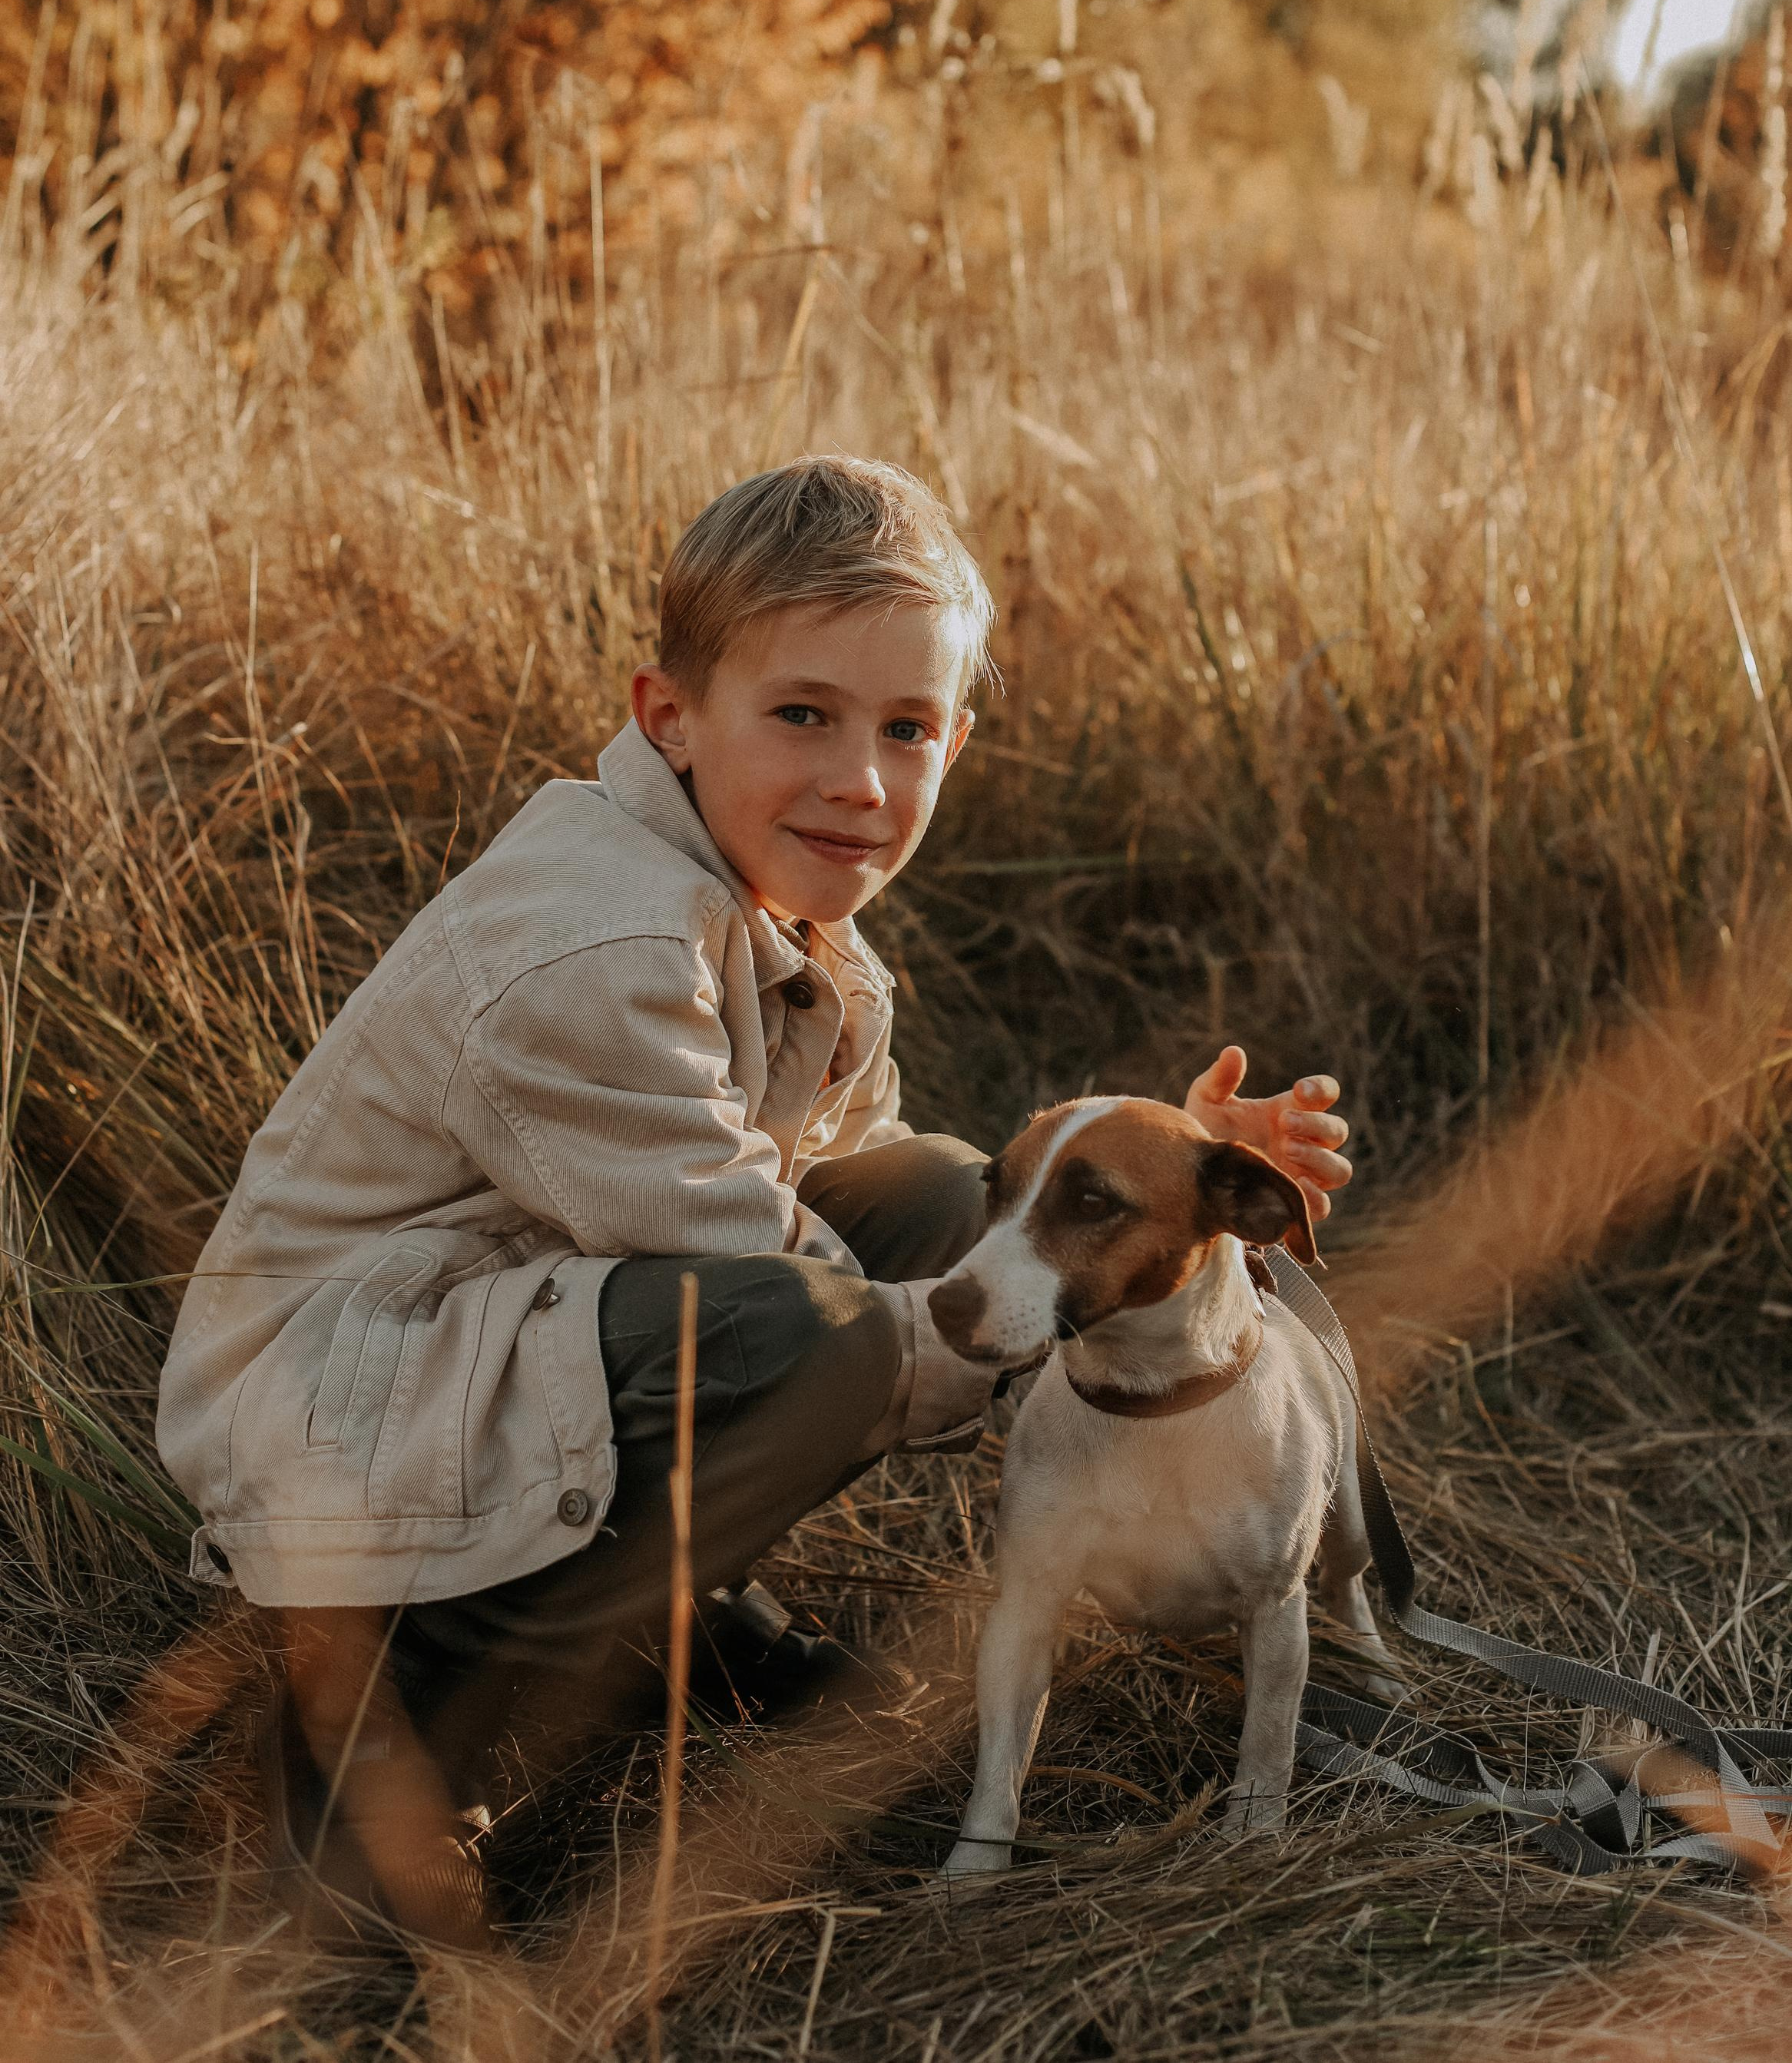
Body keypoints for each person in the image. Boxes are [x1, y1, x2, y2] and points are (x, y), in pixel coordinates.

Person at [155, 455, 1352, 1942]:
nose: (860, 778)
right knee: (829, 1340)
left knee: (927, 1203)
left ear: (953, 744)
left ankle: (658, 1619)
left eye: (905, 729)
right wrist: (999, 1317)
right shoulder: (591, 950)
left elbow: (879, 1194)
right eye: (803, 715)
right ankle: (384, 1738)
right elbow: (752, 1260)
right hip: (340, 1421)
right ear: (672, 716)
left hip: (501, 1341)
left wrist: (1168, 1186)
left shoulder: (778, 914)